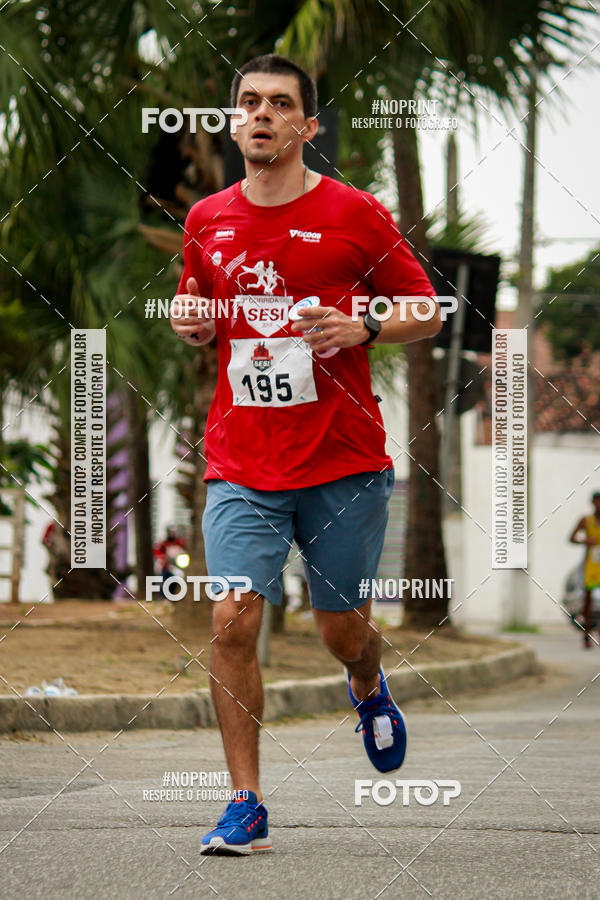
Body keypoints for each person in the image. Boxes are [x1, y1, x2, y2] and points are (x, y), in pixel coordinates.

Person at [170, 53, 441, 855]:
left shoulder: (357, 214)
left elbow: (426, 310)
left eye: (280, 104)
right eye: (248, 103)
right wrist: (192, 318)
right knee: (231, 619)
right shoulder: (208, 220)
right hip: (243, 461)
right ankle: (245, 802)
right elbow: (201, 303)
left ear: (306, 125)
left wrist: (365, 326)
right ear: (234, 120)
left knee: (340, 632)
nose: (261, 115)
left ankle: (366, 682)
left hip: (344, 461)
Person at [569, 492, 600, 648]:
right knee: (588, 600)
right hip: (591, 564)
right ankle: (586, 634)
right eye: (597, 502)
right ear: (593, 503)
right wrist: (585, 540)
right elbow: (572, 538)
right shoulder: (586, 521)